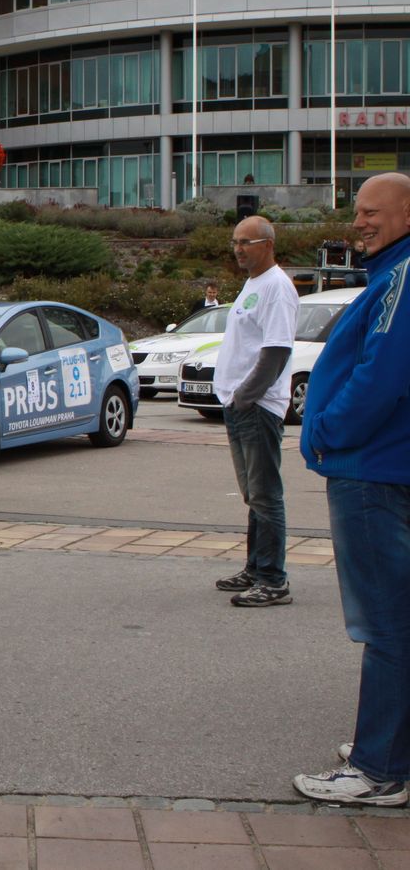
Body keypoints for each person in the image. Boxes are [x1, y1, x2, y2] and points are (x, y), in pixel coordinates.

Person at [293, 171, 410, 806]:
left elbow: (382, 372)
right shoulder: (394, 273)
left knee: (387, 624)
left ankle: (378, 769)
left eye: (373, 211)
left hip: (373, 473)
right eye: (356, 212)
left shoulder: (402, 278)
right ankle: (388, 746)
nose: (359, 221)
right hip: (387, 467)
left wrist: (329, 432)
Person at [212, 216, 299, 607]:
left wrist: (246, 396)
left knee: (266, 495)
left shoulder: (277, 287)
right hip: (238, 405)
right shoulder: (254, 284)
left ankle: (273, 579)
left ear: (267, 244)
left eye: (246, 242)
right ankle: (255, 567)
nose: (238, 249)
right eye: (235, 242)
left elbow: (276, 352)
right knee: (254, 495)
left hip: (257, 408)